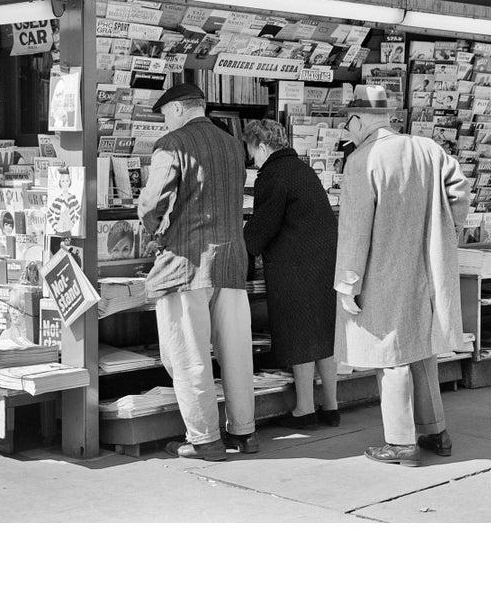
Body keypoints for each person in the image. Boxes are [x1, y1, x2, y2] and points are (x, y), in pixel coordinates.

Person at [335, 85, 470, 466]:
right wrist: (446, 233)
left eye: (348, 124)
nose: (348, 132)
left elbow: (356, 228)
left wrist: (348, 281)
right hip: (427, 266)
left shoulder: (363, 159)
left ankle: (400, 443)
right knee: (420, 349)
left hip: (382, 268)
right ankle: (435, 431)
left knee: (390, 352)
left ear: (359, 120)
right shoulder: (428, 149)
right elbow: (459, 192)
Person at [138, 83, 256, 462]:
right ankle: (244, 432)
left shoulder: (172, 144)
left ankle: (205, 439)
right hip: (232, 260)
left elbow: (151, 203)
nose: (164, 122)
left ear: (176, 110)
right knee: (237, 352)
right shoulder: (232, 144)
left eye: (164, 115)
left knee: (188, 353)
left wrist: (153, 230)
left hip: (187, 263)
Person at [243, 119, 340, 429]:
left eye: (251, 151)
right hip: (323, 262)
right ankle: (332, 407)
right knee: (324, 336)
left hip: (293, 266)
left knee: (299, 336)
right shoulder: (302, 169)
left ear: (261, 145)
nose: (252, 159)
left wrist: (245, 241)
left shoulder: (272, 175)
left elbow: (263, 226)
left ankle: (305, 409)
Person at [46, 168, 81, 237]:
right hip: (58, 232)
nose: (65, 183)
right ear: (60, 183)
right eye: (63, 181)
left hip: (68, 232)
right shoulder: (57, 200)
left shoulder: (72, 198)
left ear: (69, 182)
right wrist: (54, 225)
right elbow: (49, 213)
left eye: (67, 181)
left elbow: (79, 211)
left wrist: (73, 222)